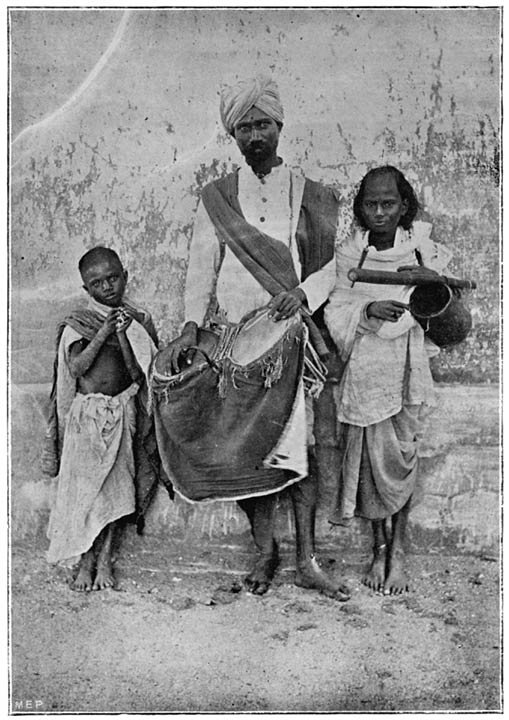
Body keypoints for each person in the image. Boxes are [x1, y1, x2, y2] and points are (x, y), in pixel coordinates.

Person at [161, 75, 350, 600]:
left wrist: (305, 294)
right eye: (244, 127)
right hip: (237, 344)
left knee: (298, 450)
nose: (254, 135)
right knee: (246, 451)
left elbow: (332, 266)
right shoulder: (217, 197)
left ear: (279, 126)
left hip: (291, 339)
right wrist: (191, 327)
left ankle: (307, 559)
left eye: (262, 124)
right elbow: (201, 267)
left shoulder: (310, 194)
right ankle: (266, 552)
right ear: (234, 135)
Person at [324, 165, 452, 595]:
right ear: (360, 208)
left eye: (388, 204)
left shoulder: (423, 251)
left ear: (403, 206)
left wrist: (426, 288)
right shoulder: (349, 255)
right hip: (365, 370)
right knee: (369, 467)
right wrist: (367, 311)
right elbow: (336, 307)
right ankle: (378, 547)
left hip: (405, 369)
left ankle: (398, 550)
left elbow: (443, 306)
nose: (379, 212)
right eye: (370, 204)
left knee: (402, 458)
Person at [44, 247, 161, 591]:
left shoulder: (136, 321)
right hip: (88, 418)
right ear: (86, 289)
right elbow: (77, 368)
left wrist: (122, 334)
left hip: (122, 413)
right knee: (86, 491)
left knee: (116, 490)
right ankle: (84, 562)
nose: (107, 287)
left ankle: (106, 560)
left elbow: (137, 375)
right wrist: (103, 333)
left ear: (125, 276)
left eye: (113, 278)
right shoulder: (79, 323)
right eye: (97, 283)